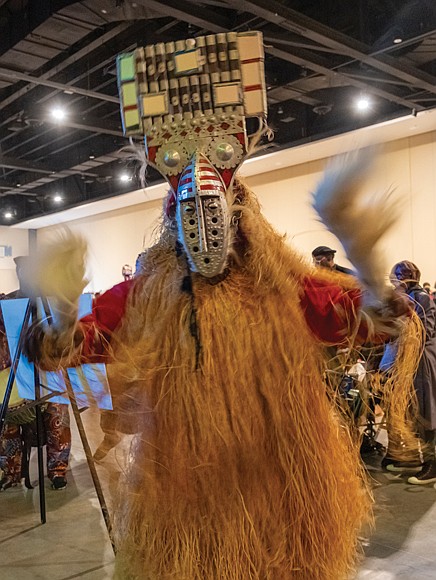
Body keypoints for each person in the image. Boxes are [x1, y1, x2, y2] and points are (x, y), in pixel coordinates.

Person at [22, 35, 413, 579]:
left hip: (277, 473)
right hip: (187, 480)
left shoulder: (281, 283)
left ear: (240, 216)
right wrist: (60, 326)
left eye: (215, 216)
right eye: (190, 219)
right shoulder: (151, 290)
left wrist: (372, 281)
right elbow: (90, 337)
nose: (202, 229)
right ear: (172, 223)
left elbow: (361, 320)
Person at [0, 256, 71, 491]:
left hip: (48, 374)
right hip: (16, 375)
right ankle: (10, 471)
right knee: (6, 422)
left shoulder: (54, 302)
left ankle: (57, 469)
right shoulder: (7, 302)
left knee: (58, 415)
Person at [384, 261, 436, 484]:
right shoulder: (406, 298)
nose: (394, 282)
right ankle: (416, 456)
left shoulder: (421, 298)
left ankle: (432, 465)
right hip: (408, 363)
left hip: (421, 363)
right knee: (412, 411)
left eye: (397, 277)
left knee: (426, 411)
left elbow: (425, 330)